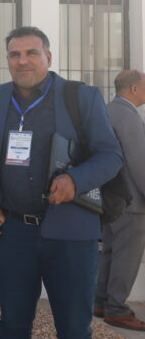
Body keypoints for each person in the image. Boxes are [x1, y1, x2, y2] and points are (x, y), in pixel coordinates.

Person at [0, 26, 123, 339]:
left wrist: (75, 180)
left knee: (73, 329)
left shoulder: (82, 97)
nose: (22, 61)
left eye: (31, 53)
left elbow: (111, 156)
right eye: (14, 55)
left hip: (71, 234)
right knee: (13, 325)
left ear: (49, 57)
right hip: (13, 233)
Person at [95, 69, 145, 331]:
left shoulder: (108, 110)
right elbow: (139, 163)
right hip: (131, 201)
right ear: (134, 89)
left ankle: (101, 302)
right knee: (127, 257)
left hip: (111, 199)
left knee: (111, 252)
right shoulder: (128, 115)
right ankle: (116, 309)